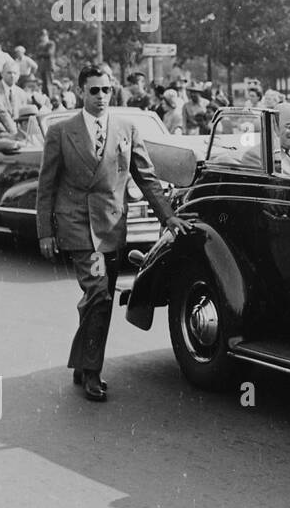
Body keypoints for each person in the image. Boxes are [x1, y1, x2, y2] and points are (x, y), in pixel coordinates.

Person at [36, 65, 186, 401]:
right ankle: (92, 372)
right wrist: (45, 231)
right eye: (94, 90)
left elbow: (146, 177)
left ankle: (81, 360)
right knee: (99, 296)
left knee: (96, 300)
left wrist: (168, 216)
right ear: (81, 92)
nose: (101, 96)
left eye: (106, 90)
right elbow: (46, 186)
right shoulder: (61, 132)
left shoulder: (126, 128)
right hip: (77, 226)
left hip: (112, 226)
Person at [37, 30, 56, 95]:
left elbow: (49, 53)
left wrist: (41, 54)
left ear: (47, 36)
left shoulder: (51, 43)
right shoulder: (40, 45)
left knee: (49, 84)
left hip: (49, 67)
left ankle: (51, 98)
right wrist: (42, 54)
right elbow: (37, 54)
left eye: (44, 35)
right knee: (44, 85)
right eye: (42, 36)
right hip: (42, 67)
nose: (43, 37)